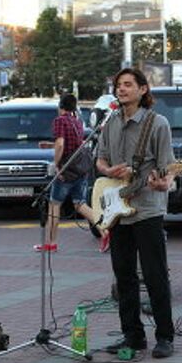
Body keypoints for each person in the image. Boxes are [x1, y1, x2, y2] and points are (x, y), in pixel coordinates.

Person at [96, 68, 176, 359]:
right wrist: (109, 170)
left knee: (155, 276)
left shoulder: (158, 124)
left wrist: (163, 183)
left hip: (147, 210)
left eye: (128, 85)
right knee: (124, 277)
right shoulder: (110, 122)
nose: (122, 89)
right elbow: (100, 159)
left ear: (143, 89)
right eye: (119, 85)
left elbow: (169, 168)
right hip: (118, 211)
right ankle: (133, 335)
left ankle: (165, 336)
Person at [37, 93, 109, 253]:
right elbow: (73, 145)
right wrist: (50, 146)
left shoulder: (59, 121)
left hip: (66, 170)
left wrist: (56, 164)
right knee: (80, 204)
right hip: (80, 169)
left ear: (60, 106)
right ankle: (105, 231)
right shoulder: (76, 122)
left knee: (54, 205)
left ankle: (51, 243)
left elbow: (61, 144)